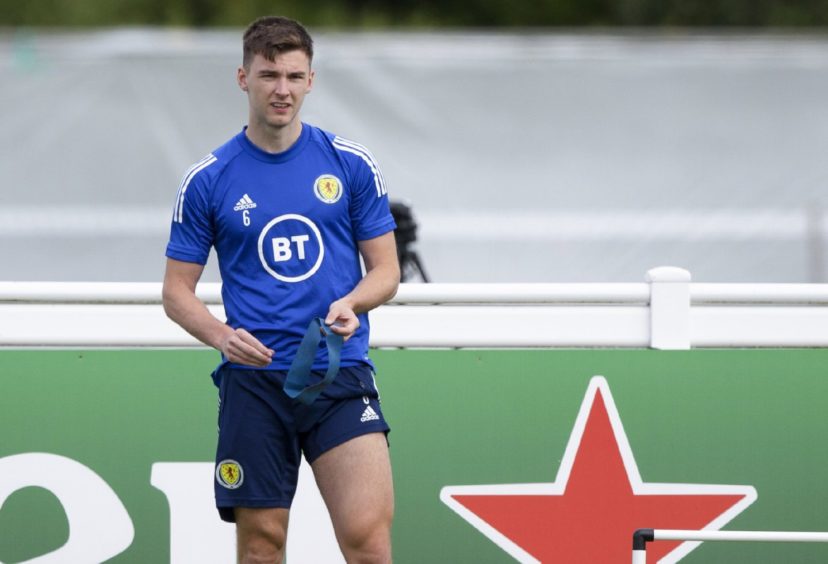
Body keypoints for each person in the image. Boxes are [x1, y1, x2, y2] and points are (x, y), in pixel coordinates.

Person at [162, 15, 400, 563]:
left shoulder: (350, 163)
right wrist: (222, 336)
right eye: (269, 75)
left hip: (338, 374)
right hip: (255, 385)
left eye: (294, 76)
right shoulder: (209, 178)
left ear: (311, 80)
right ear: (243, 77)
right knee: (262, 545)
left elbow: (385, 271)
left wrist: (353, 302)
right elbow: (177, 292)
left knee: (367, 538)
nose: (282, 90)